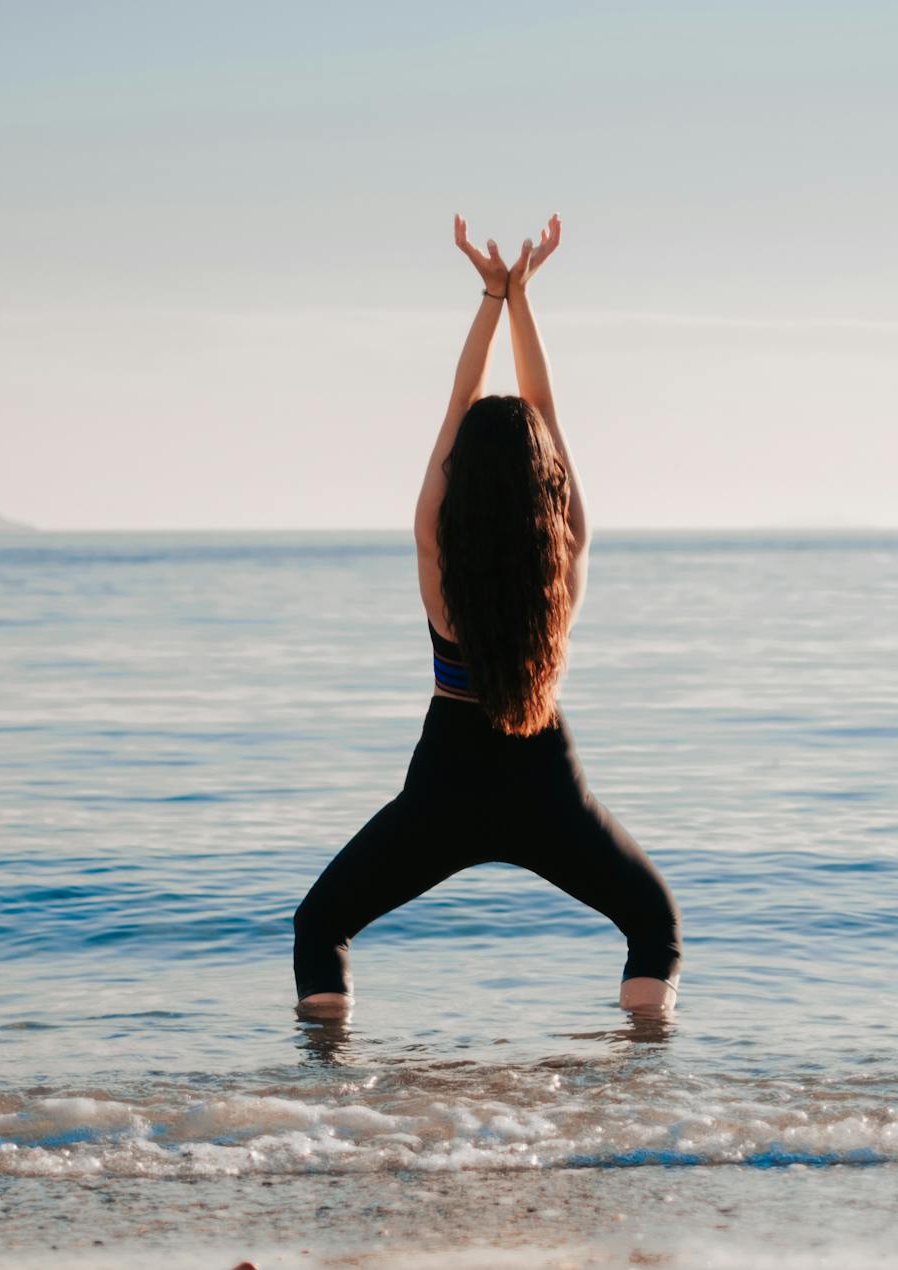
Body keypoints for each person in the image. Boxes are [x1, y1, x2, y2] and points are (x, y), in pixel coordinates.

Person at [291, 213, 683, 1019]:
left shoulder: (437, 548)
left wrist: (491, 295)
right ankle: (641, 1103)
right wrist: (523, 301)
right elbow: (543, 404)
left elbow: (456, 407)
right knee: (652, 924)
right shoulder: (564, 553)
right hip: (545, 776)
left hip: (448, 777)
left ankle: (329, 1108)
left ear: (458, 480)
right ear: (550, 491)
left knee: (321, 926)